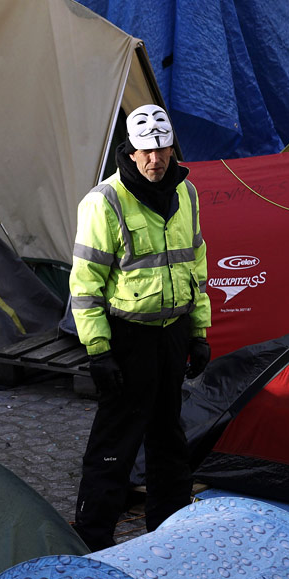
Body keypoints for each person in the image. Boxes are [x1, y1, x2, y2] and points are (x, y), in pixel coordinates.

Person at [68, 104, 212, 552]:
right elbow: (85, 285)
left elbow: (197, 263)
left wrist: (199, 332)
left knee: (169, 438)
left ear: (173, 148)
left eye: (163, 149)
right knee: (116, 442)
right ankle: (92, 543)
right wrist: (99, 352)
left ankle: (168, 537)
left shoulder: (186, 194)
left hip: (171, 333)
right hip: (126, 337)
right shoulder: (103, 202)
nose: (155, 160)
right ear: (129, 152)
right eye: (146, 151)